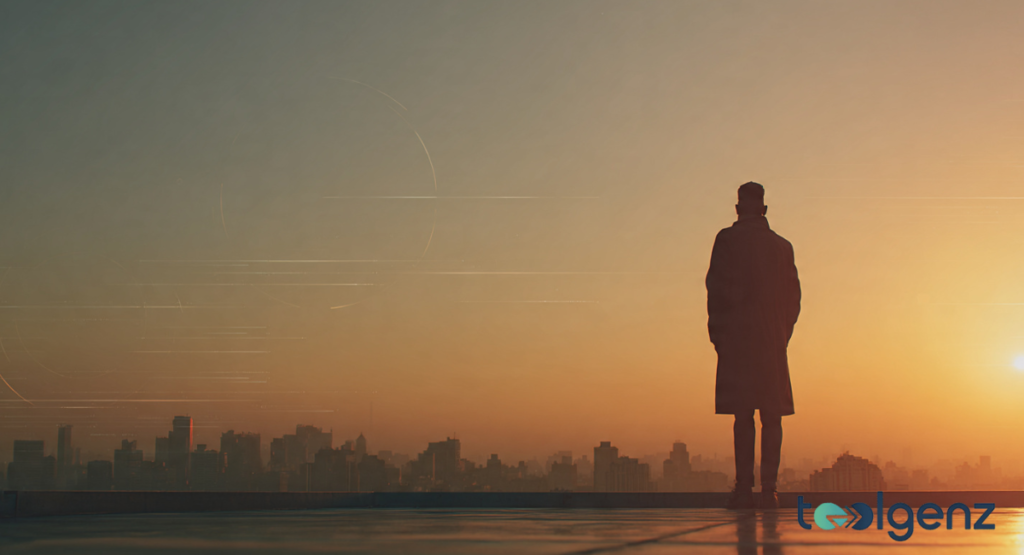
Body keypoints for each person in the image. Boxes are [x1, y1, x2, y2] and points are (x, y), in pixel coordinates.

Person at [706, 182, 801, 510]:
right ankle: (769, 491)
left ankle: (744, 489)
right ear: (764, 209)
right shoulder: (781, 247)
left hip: (736, 340)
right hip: (771, 341)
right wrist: (781, 335)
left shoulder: (727, 240)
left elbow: (714, 290)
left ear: (737, 209)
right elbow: (794, 299)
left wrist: (718, 335)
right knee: (772, 417)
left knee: (742, 415)